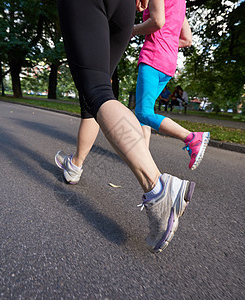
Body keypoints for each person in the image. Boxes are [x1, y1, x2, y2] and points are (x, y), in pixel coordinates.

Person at [55, 0, 196, 253]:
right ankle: (75, 165)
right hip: (125, 8)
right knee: (97, 94)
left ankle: (158, 188)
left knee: (96, 92)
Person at [133, 0, 210, 168]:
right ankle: (144, 158)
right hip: (168, 64)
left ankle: (191, 137)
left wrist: (131, 31)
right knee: (146, 112)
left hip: (153, 57)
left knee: (142, 112)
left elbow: (157, 22)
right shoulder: (180, 2)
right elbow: (187, 39)